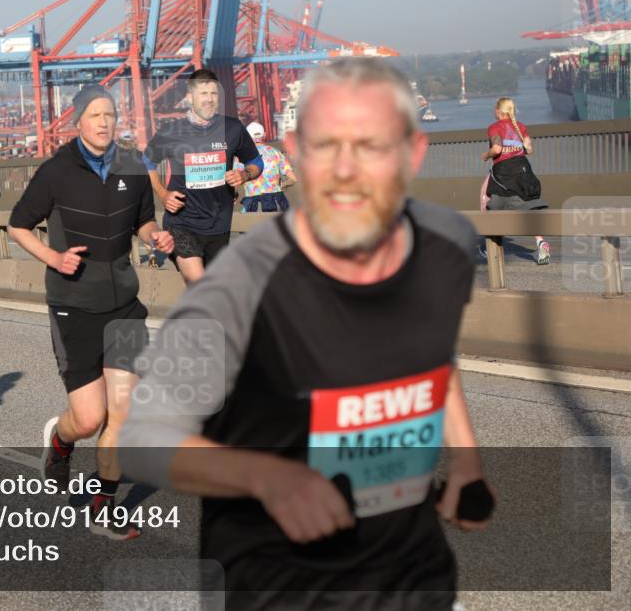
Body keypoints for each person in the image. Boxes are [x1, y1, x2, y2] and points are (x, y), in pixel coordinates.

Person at [120, 59, 493, 609]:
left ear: (412, 153)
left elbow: (434, 354)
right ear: (296, 151)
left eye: (370, 146)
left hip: (414, 575)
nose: (347, 169)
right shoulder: (237, 288)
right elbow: (144, 441)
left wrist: (465, 463)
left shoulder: (442, 248)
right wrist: (268, 478)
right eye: (326, 146)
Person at [7, 85, 174, 541]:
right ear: (78, 121)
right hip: (74, 304)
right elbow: (18, 225)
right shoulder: (56, 171)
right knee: (88, 418)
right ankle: (61, 442)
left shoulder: (133, 168)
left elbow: (143, 220)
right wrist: (52, 257)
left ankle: (104, 504)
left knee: (123, 410)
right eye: (95, 115)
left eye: (111, 115)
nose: (104, 122)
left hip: (124, 304)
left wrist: (155, 235)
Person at [143, 69, 264, 283]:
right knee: (200, 282)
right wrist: (163, 194)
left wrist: (244, 175)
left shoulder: (232, 128)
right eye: (203, 94)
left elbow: (256, 162)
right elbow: (147, 161)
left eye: (213, 94)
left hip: (219, 223)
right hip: (181, 221)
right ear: (190, 98)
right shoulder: (172, 131)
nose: (209, 99)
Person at [480, 97, 550, 265]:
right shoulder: (521, 127)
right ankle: (541, 242)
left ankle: (490, 245)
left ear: (498, 111)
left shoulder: (494, 127)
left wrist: (486, 155)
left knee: (487, 200)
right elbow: (529, 149)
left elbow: (496, 149)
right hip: (523, 171)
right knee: (527, 207)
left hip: (504, 172)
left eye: (494, 109)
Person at [239, 121, 297, 213]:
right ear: (264, 135)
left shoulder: (242, 155)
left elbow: (235, 181)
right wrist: (283, 184)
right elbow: (293, 178)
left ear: (248, 137)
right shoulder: (276, 153)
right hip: (276, 201)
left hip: (252, 204)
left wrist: (234, 195)